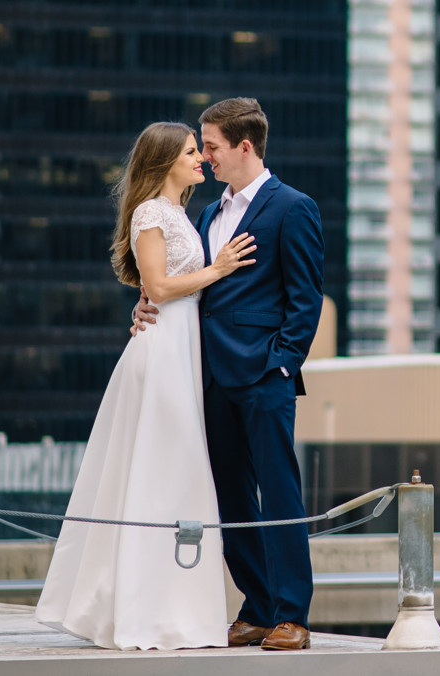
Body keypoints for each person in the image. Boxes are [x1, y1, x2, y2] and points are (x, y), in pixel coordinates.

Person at [36, 121, 257, 650]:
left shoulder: (182, 214)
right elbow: (157, 285)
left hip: (181, 351)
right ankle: (143, 612)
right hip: (161, 358)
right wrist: (219, 268)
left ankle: (175, 610)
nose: (200, 158)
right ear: (165, 162)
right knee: (158, 475)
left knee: (178, 476)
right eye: (190, 152)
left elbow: (157, 292)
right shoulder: (151, 212)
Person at [130, 97, 325, 652]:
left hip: (265, 376)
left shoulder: (293, 207)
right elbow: (181, 282)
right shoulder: (206, 214)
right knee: (228, 498)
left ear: (244, 147)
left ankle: (293, 614)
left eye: (211, 146)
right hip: (206, 376)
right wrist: (147, 305)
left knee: (280, 494)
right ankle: (259, 606)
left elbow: (305, 300)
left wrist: (281, 364)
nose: (206, 156)